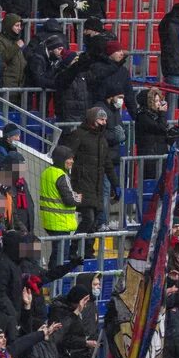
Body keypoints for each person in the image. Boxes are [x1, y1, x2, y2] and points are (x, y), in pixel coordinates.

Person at [65, 107, 114, 257]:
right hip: (82, 184)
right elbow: (67, 156)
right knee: (88, 218)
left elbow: (108, 164)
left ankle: (88, 251)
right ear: (93, 120)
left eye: (105, 120)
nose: (103, 123)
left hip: (97, 185)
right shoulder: (79, 135)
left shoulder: (102, 140)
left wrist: (116, 183)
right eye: (101, 119)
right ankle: (72, 248)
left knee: (94, 223)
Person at [40, 145, 80, 265]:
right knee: (61, 256)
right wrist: (77, 199)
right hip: (60, 222)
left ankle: (53, 278)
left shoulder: (47, 172)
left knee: (57, 253)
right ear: (61, 159)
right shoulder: (61, 175)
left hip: (50, 220)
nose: (72, 161)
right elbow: (69, 200)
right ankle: (56, 280)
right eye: (69, 158)